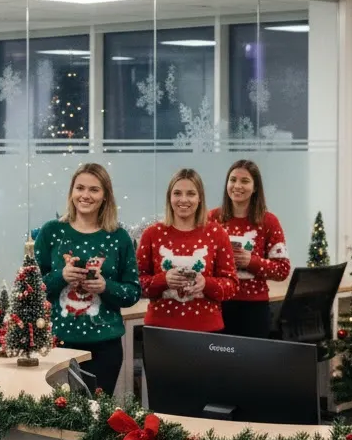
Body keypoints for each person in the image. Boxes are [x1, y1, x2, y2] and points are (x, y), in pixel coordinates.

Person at [34, 163, 140, 396]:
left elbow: (133, 292)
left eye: (94, 190)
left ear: (105, 197)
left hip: (105, 348)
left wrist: (105, 286)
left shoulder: (119, 237)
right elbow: (30, 289)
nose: (85, 195)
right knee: (56, 420)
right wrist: (61, 277)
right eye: (80, 188)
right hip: (57, 345)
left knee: (94, 420)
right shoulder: (52, 232)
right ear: (71, 193)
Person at [137, 168, 238, 332]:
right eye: (177, 193)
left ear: (200, 199)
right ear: (169, 197)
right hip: (160, 331)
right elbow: (136, 284)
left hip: (207, 331)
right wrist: (164, 280)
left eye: (191, 193)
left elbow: (232, 286)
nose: (183, 199)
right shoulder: (152, 234)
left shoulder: (217, 233)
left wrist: (206, 283)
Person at [208, 159, 290, 339]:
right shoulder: (212, 218)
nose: (237, 186)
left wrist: (251, 262)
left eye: (244, 181)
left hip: (254, 309)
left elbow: (282, 270)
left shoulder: (269, 222)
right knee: (218, 365)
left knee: (251, 365)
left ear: (255, 188)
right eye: (233, 180)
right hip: (217, 305)